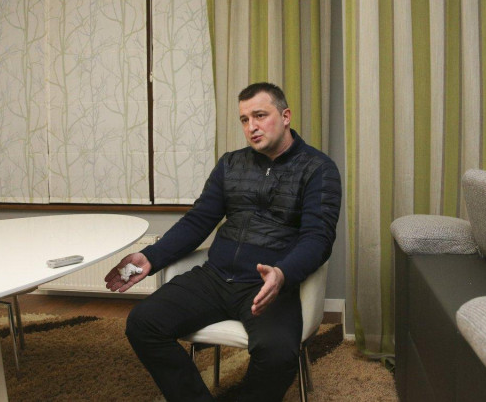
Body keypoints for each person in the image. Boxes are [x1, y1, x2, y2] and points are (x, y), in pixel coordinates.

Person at [105, 82, 342, 402]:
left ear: (285, 116)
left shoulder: (318, 169)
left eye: (260, 115)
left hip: (267, 284)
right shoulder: (231, 164)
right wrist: (150, 257)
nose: (251, 126)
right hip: (214, 277)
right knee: (142, 323)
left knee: (277, 354)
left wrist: (282, 274)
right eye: (244, 119)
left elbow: (318, 238)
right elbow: (198, 221)